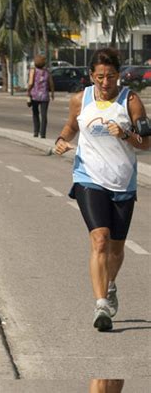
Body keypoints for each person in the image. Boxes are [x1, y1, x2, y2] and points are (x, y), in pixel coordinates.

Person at [54, 48, 149, 331]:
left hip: (122, 181)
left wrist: (127, 134)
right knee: (100, 240)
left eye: (110, 76)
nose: (105, 82)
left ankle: (110, 286)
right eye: (100, 77)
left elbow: (146, 143)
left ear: (118, 75)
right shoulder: (80, 99)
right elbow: (71, 127)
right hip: (88, 178)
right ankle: (100, 305)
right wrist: (61, 139)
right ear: (92, 76)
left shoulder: (130, 100)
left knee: (116, 250)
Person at [26, 55, 54, 138]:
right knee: (44, 115)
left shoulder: (33, 71)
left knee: (35, 113)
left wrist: (28, 91)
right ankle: (43, 133)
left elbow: (31, 83)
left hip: (34, 95)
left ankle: (36, 131)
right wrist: (52, 93)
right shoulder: (47, 72)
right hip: (45, 96)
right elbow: (51, 83)